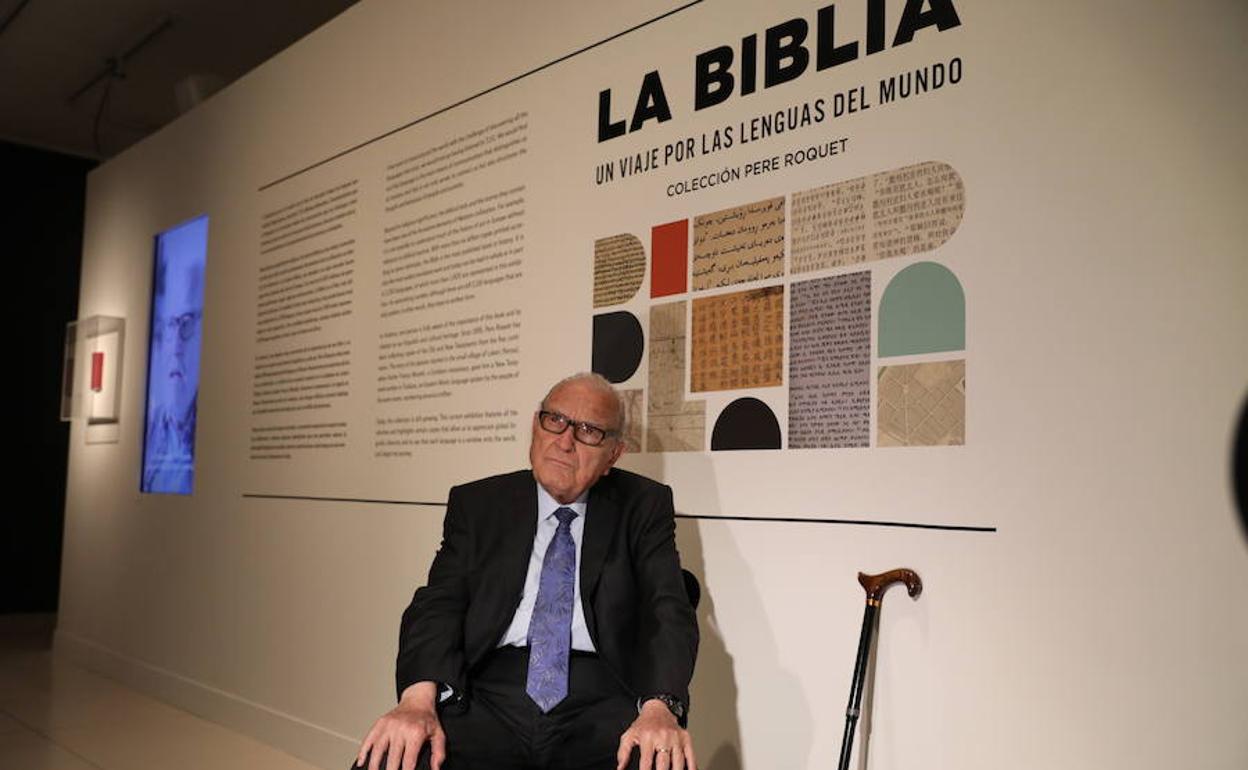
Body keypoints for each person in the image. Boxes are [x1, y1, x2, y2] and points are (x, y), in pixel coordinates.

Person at [355, 373, 698, 770]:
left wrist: (660, 707)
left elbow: (667, 608)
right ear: (536, 426)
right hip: (489, 689)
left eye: (588, 431)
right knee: (395, 757)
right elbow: (439, 603)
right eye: (555, 420)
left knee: (659, 759)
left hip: (601, 691)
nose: (565, 442)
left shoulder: (643, 505)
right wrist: (417, 700)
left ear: (613, 455)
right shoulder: (480, 503)